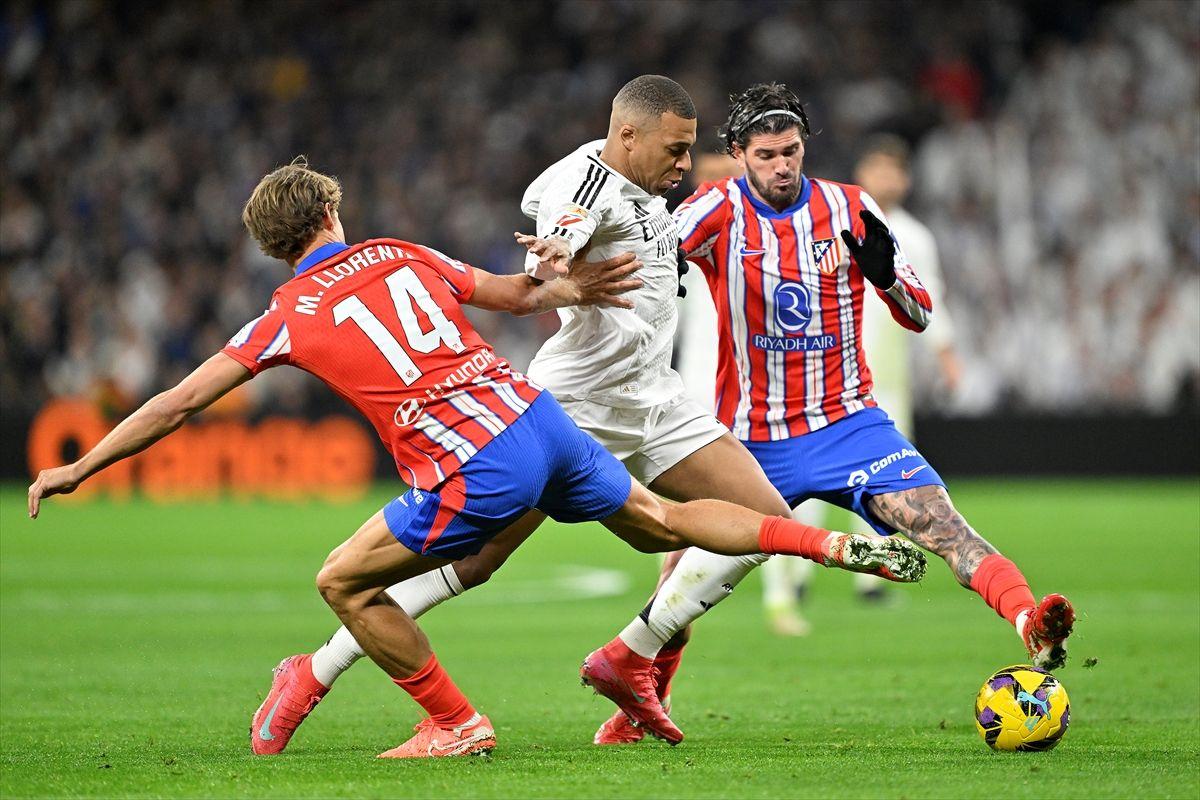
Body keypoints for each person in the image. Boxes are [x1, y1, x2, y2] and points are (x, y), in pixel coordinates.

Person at [27, 156, 928, 759]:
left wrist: (80, 466)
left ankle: (453, 723)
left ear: (271, 246)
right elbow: (509, 293)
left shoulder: (285, 316)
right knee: (658, 526)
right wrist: (568, 286)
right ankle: (823, 545)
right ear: (334, 214)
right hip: (538, 416)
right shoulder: (398, 250)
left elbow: (181, 402)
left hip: (474, 462)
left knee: (343, 579)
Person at [245, 76, 926, 754]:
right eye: (676, 150)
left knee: (761, 525)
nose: (686, 165)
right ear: (629, 136)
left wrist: (750, 163)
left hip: (655, 398)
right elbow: (565, 220)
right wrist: (557, 252)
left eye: (690, 150)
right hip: (573, 406)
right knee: (477, 564)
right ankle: (313, 671)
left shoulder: (654, 182)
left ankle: (634, 669)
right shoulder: (583, 183)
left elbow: (695, 178)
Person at [582, 82, 1076, 744]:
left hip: (850, 426)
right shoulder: (714, 209)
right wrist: (591, 255)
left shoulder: (849, 207)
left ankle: (1029, 623)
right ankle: (631, 687)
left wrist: (888, 277)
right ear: (738, 154)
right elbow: (645, 254)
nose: (782, 165)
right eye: (766, 154)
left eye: (791, 151)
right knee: (690, 577)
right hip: (752, 440)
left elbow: (922, 312)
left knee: (942, 523)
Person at [759, 134, 968, 634]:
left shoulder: (915, 236)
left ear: (906, 178)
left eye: (893, 170)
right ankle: (801, 573)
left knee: (881, 483)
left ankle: (872, 579)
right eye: (875, 169)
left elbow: (927, 296)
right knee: (807, 483)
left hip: (886, 379)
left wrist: (946, 353)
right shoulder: (834, 223)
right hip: (824, 375)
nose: (884, 178)